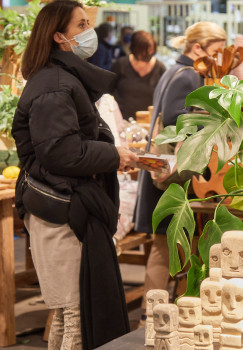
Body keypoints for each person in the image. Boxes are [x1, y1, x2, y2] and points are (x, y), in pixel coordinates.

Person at [13, 0, 138, 348]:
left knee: (70, 313)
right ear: (57, 37)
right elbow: (61, 152)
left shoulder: (61, 78)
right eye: (80, 25)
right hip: (60, 211)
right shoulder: (54, 85)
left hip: (67, 207)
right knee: (75, 315)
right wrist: (112, 155)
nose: (89, 32)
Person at [134, 21, 226, 319]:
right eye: (216, 51)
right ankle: (152, 316)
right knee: (164, 245)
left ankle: (154, 314)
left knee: (167, 244)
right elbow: (175, 120)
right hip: (171, 176)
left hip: (162, 172)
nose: (219, 58)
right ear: (197, 48)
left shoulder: (175, 70)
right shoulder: (188, 76)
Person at [111, 31, 166, 120]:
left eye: (151, 50)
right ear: (135, 49)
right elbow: (109, 91)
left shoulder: (160, 68)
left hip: (149, 122)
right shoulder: (121, 64)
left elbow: (164, 97)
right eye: (144, 51)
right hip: (122, 121)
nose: (149, 53)